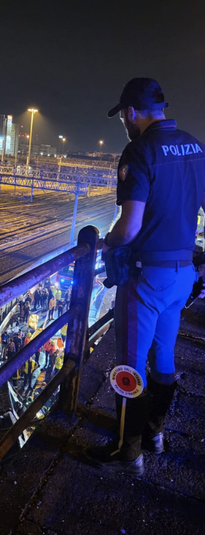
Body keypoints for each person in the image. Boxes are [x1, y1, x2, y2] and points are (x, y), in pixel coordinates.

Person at [86, 78, 205, 476]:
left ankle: (128, 451)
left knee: (129, 367)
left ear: (131, 113)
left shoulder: (139, 151)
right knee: (164, 358)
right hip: (183, 274)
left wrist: (107, 243)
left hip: (146, 279)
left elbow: (129, 227)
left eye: (123, 114)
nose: (123, 120)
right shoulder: (195, 147)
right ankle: (154, 435)